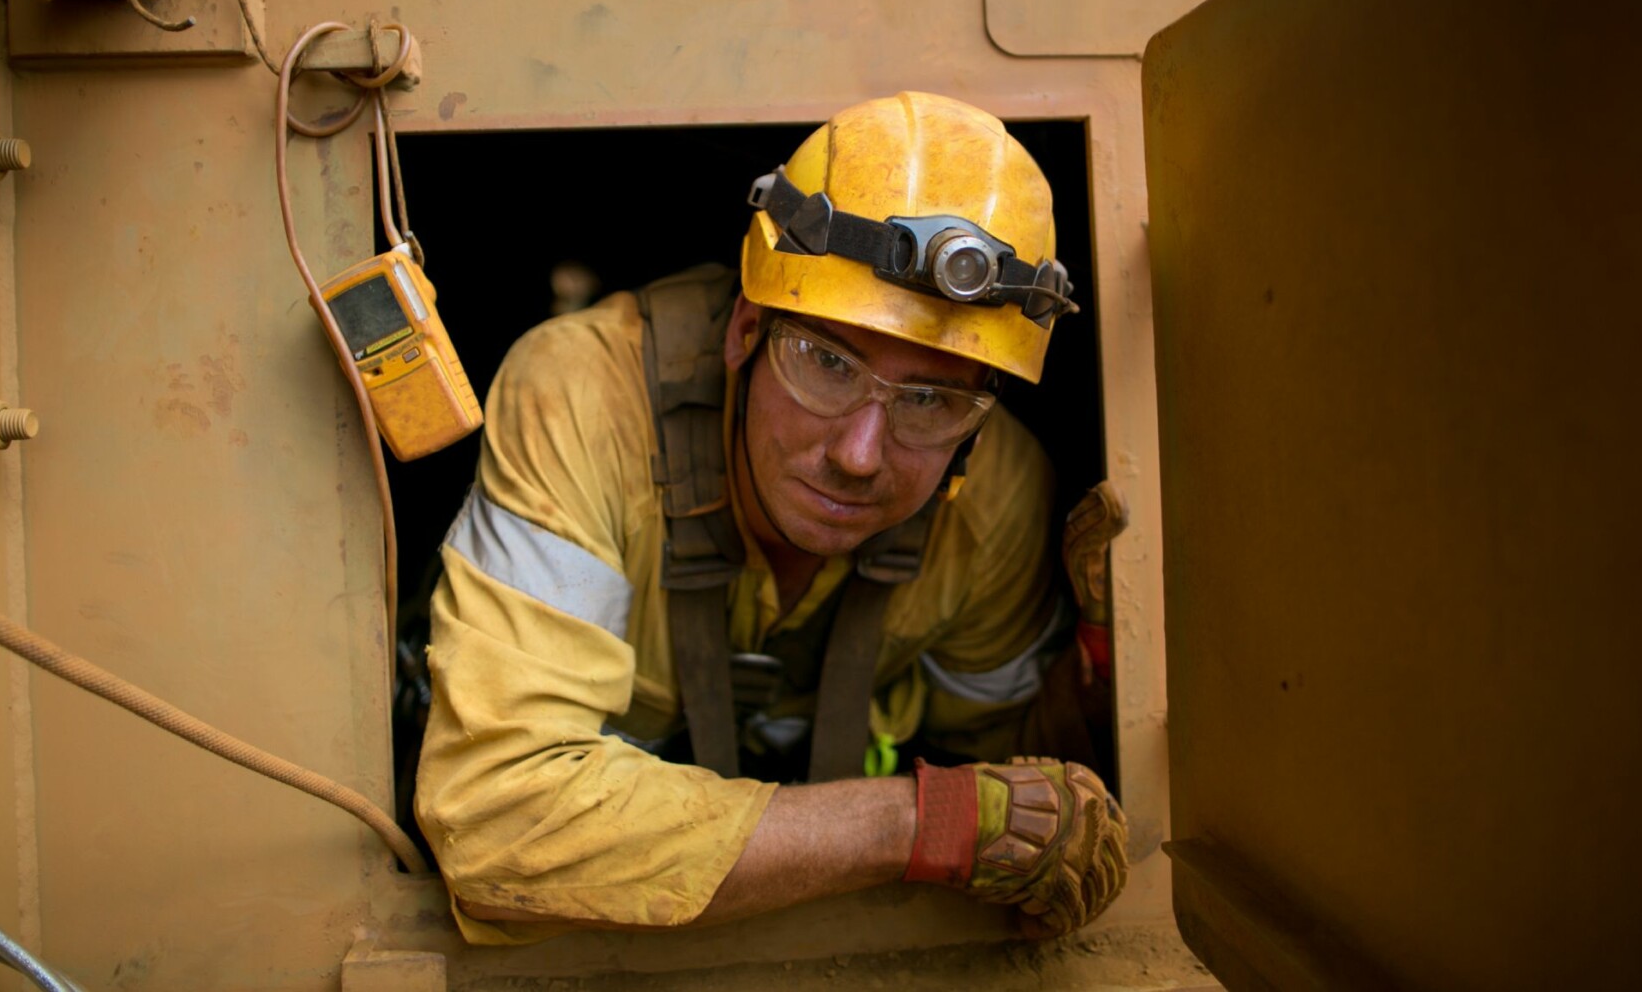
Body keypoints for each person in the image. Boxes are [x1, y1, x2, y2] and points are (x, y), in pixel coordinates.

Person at [415, 92, 1129, 945]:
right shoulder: (582, 400)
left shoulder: (1000, 487)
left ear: (982, 410)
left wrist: (1099, 663)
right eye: (826, 362)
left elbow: (1007, 763)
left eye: (931, 400)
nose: (860, 454)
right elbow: (498, 820)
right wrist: (914, 822)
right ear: (746, 330)